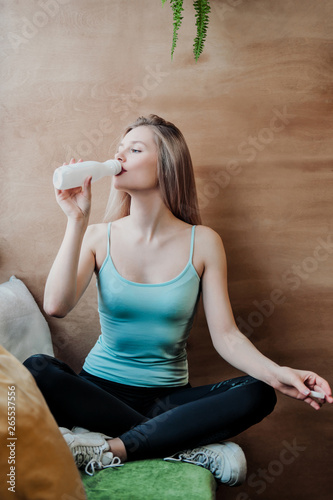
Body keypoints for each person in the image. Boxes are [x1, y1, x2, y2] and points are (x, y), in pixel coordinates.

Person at [24, 115, 332, 486]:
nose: (119, 157)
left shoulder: (203, 242)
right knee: (38, 369)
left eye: (134, 150)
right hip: (99, 391)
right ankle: (181, 444)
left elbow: (227, 336)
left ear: (166, 165)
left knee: (258, 392)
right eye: (118, 150)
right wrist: (76, 219)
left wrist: (280, 374)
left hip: (169, 400)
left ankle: (111, 449)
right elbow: (56, 306)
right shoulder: (96, 236)